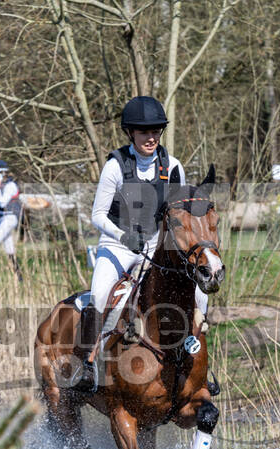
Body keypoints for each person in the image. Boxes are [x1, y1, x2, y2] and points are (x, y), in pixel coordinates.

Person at [76, 96, 209, 393]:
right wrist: (124, 237)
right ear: (130, 133)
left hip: (156, 248)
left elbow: (181, 212)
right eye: (143, 132)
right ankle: (86, 363)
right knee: (99, 296)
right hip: (118, 244)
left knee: (199, 295)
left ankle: (197, 365)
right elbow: (97, 214)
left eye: (155, 132)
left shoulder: (173, 166)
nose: (151, 138)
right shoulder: (115, 166)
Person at [0, 160, 22, 281]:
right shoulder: (4, 185)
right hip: (4, 218)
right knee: (9, 249)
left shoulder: (10, 185)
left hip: (9, 218)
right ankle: (19, 276)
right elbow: (1, 204)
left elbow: (2, 202)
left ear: (3, 173)